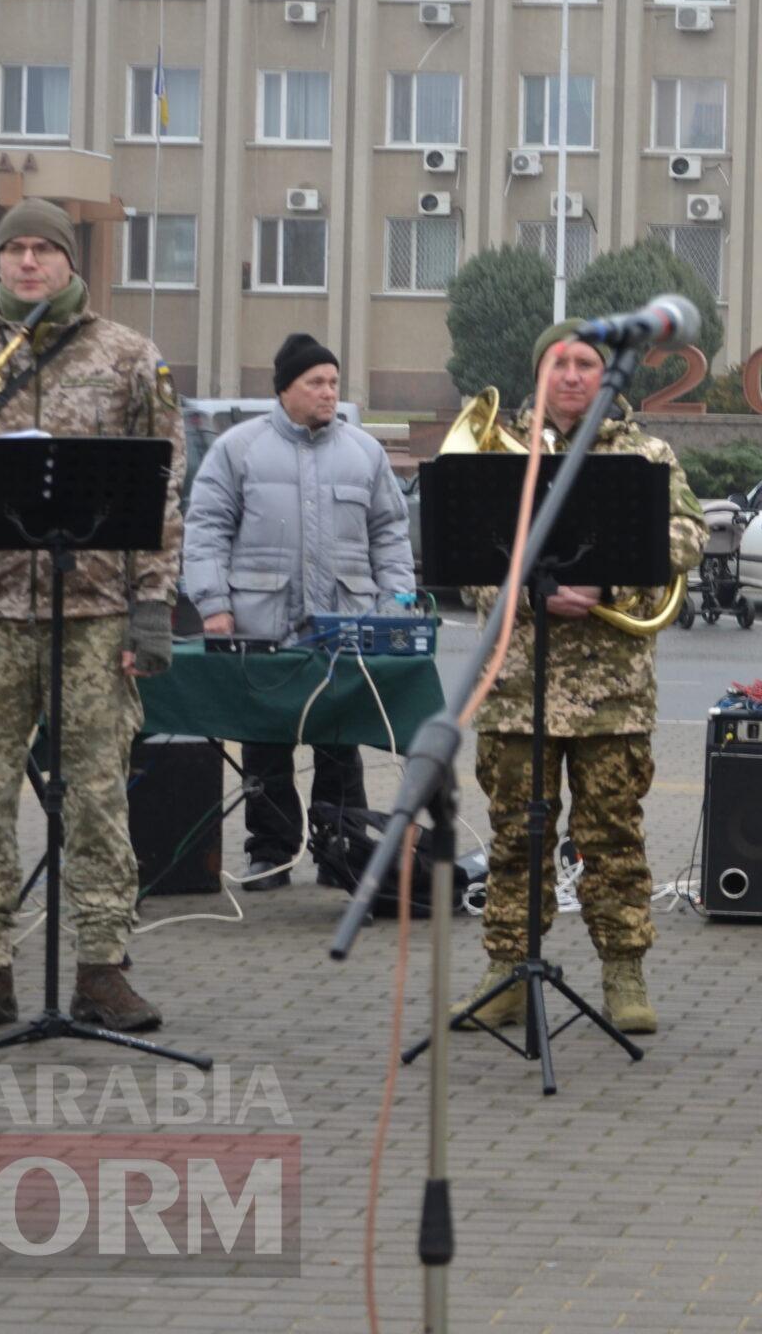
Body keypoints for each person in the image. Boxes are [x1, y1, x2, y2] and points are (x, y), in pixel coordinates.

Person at [0, 199, 182, 1036]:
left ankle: (101, 968)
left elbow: (164, 492)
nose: (26, 263)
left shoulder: (129, 357)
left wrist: (150, 607)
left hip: (92, 614)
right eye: (13, 249)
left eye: (43, 249)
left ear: (69, 260)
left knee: (96, 796)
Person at [453, 322, 705, 1035]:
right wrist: (532, 586)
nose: (571, 376)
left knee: (614, 839)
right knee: (512, 840)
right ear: (539, 376)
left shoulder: (647, 451)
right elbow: (465, 553)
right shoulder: (501, 451)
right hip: (515, 690)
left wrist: (610, 577)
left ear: (607, 375)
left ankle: (624, 973)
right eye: (558, 364)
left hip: (612, 696)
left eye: (585, 363)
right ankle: (505, 971)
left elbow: (689, 534)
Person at [181, 333, 414, 889]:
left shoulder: (365, 452)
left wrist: (395, 605)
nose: (328, 392)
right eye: (315, 382)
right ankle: (271, 853)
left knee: (339, 743)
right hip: (264, 626)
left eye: (333, 382)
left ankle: (341, 848)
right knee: (266, 744)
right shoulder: (237, 449)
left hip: (346, 627)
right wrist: (213, 605)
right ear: (285, 389)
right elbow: (206, 528)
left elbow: (390, 535)